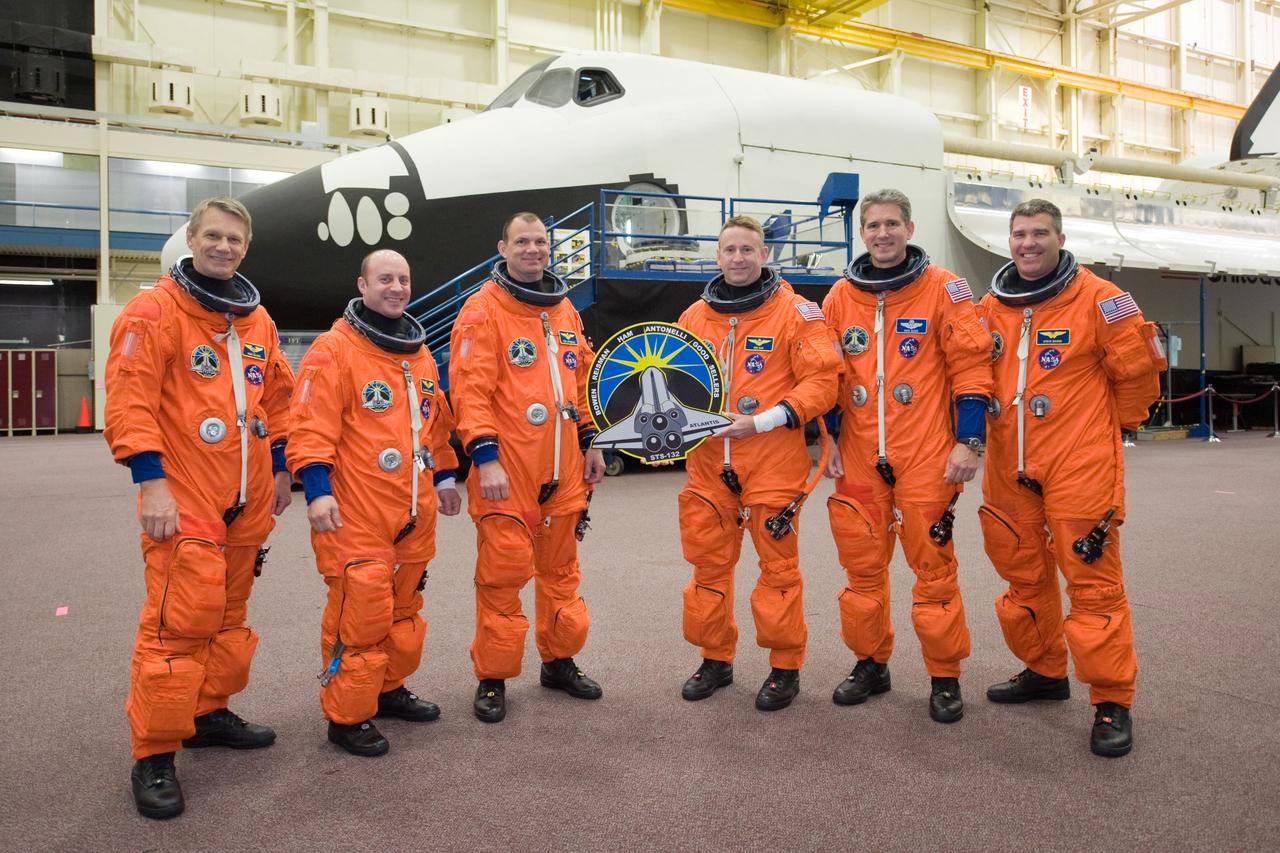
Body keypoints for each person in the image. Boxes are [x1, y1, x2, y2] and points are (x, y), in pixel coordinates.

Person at [104, 196, 294, 819]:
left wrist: (282, 467)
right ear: (191, 238)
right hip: (184, 494)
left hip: (245, 501)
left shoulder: (255, 319)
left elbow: (278, 400)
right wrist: (150, 481)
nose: (223, 247)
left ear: (245, 247)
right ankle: (154, 753)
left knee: (228, 617)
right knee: (176, 624)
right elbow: (129, 402)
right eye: (212, 236)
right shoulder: (153, 311)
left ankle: (208, 714)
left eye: (234, 240)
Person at [976, 198, 1164, 757]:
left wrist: (1104, 434)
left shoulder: (1104, 301)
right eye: (1019, 234)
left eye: (1039, 234)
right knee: (1022, 571)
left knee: (1092, 581)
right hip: (1009, 462)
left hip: (1078, 463)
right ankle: (1044, 669)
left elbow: (1137, 382)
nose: (1027, 244)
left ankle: (1111, 699)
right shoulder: (990, 306)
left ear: (1060, 237)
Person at [821, 189, 993, 723]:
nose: (882, 234)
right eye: (872, 226)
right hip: (858, 456)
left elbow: (971, 367)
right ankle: (871, 664)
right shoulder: (838, 297)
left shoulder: (946, 290)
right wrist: (829, 444)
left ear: (910, 228)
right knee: (862, 570)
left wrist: (970, 440)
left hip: (925, 455)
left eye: (892, 224)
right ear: (862, 233)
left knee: (933, 570)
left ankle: (945, 676)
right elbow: (827, 378)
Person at [287, 249, 461, 757]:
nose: (396, 287)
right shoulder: (333, 351)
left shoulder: (420, 353)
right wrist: (316, 493)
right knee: (360, 612)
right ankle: (346, 716)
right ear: (361, 285)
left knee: (404, 612)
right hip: (354, 510)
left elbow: (436, 426)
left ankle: (386, 690)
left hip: (413, 509)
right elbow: (309, 428)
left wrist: (446, 478)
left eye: (403, 279)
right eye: (385, 278)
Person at [675, 215, 840, 711]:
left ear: (764, 254)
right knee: (708, 566)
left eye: (748, 249)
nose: (739, 258)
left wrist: (763, 421)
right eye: (730, 250)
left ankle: (784, 668)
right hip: (708, 466)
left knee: (778, 570)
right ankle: (715, 659)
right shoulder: (693, 317)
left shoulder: (797, 313)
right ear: (717, 255)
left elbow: (823, 381)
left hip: (771, 458)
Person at [448, 212, 606, 724]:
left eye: (540, 241)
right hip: (507, 471)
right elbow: (469, 391)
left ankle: (558, 662)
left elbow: (579, 383)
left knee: (560, 573)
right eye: (523, 242)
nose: (533, 250)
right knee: (503, 576)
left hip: (562, 471)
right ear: (503, 248)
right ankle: (492, 678)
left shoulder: (563, 311)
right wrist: (484, 456)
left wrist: (591, 441)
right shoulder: (481, 311)